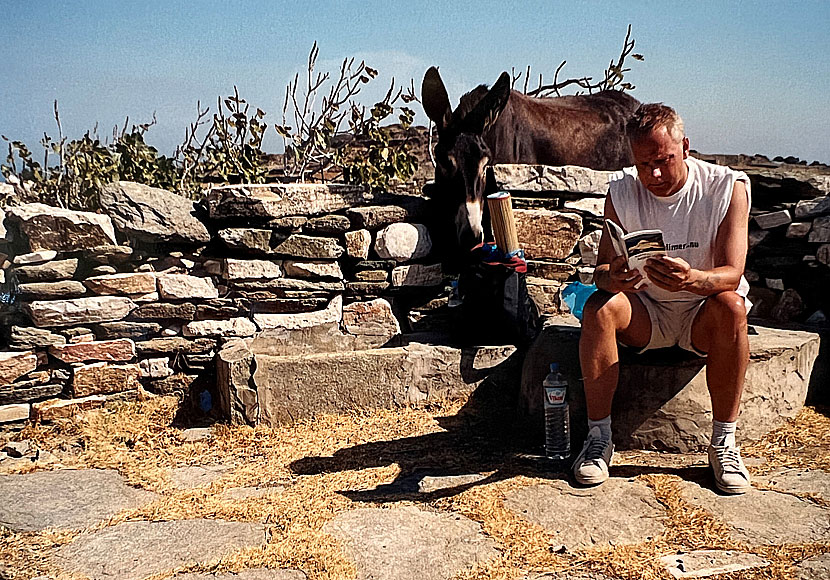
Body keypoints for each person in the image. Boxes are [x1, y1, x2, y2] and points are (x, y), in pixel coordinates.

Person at [573, 103, 753, 494]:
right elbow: (600, 272)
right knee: (598, 307)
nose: (653, 174)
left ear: (685, 147)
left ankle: (723, 442)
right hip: (646, 312)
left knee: (732, 305)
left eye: (663, 161)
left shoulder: (726, 187)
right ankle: (599, 437)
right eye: (643, 165)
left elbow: (733, 273)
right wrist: (613, 276)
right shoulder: (621, 191)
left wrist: (693, 279)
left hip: (701, 313)